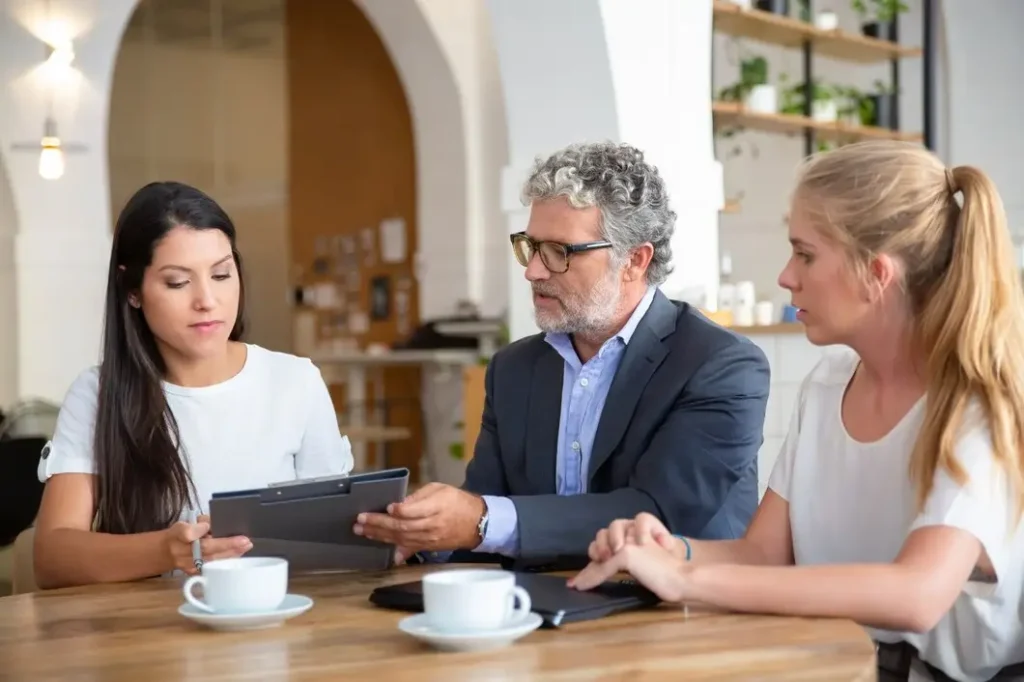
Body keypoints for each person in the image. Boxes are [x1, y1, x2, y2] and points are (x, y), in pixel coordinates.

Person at [571, 140, 1024, 682]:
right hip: (836, 667)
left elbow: (917, 594)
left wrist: (684, 581)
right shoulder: (827, 385)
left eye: (805, 253)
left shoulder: (978, 406)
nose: (786, 276)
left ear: (876, 274)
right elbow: (763, 554)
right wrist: (669, 550)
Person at [354, 141, 770, 569]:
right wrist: (421, 536)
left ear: (634, 260)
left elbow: (662, 515)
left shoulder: (719, 365)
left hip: (681, 617)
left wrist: (479, 520)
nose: (533, 270)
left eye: (559, 252)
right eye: (530, 247)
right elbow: (486, 510)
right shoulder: (514, 369)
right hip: (540, 614)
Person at [33, 181, 353, 589]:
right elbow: (52, 558)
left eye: (221, 274)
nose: (207, 300)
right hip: (143, 634)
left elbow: (334, 539)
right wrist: (169, 551)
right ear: (132, 290)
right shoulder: (98, 394)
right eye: (178, 283)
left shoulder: (296, 382)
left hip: (273, 620)